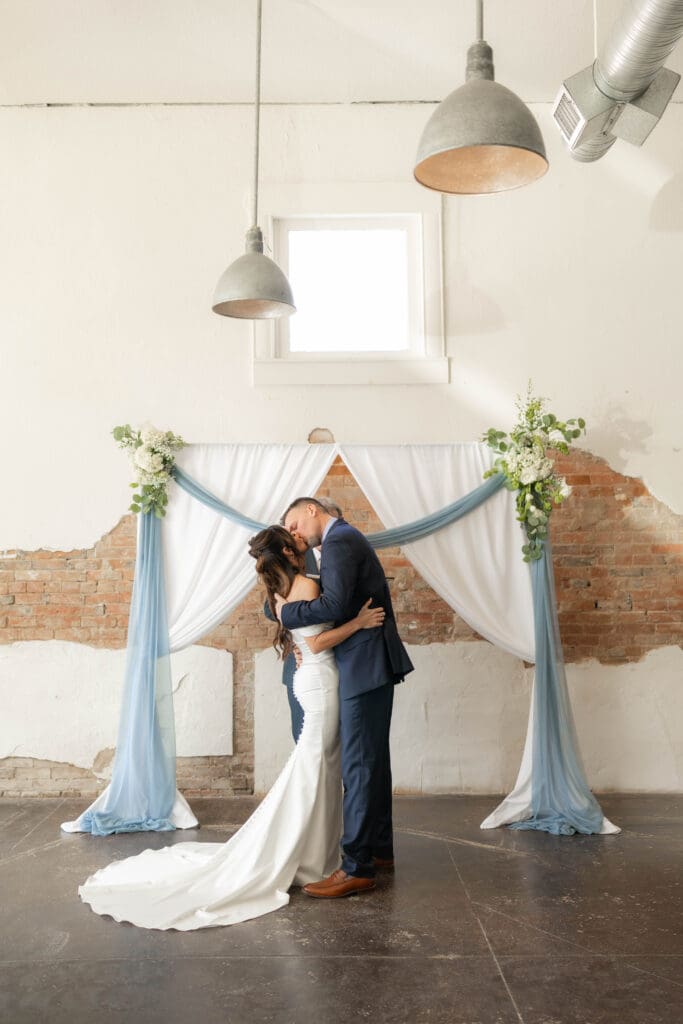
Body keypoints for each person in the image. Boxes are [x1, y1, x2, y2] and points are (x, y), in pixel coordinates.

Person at [77, 525, 384, 931]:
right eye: (295, 542)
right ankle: (303, 854)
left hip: (309, 679)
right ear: (288, 554)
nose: (302, 545)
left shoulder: (278, 594)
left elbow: (302, 637)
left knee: (319, 765)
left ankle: (315, 854)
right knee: (314, 766)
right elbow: (316, 643)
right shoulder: (308, 586)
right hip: (320, 681)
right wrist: (359, 622)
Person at [277, 498, 414, 900]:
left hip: (363, 663)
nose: (294, 534)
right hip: (364, 662)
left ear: (312, 510)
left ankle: (356, 867)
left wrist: (287, 616)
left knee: (359, 764)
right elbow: (334, 603)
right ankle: (379, 850)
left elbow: (334, 604)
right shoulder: (340, 541)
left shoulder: (339, 540)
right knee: (371, 760)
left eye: (294, 523)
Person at [258, 498, 343, 743]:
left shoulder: (343, 554)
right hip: (303, 662)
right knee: (305, 737)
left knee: (336, 742)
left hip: (339, 660)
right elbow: (270, 608)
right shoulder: (296, 556)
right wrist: (300, 636)